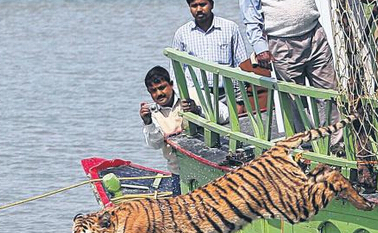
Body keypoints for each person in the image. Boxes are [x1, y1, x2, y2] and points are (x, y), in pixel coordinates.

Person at [239, 0, 343, 147]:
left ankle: (337, 145)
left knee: (329, 93)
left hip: (314, 33)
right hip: (282, 41)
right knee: (295, 100)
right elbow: (250, 14)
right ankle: (307, 149)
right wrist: (260, 47)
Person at [140, 66, 229, 196]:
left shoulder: (192, 94)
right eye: (153, 91)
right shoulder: (152, 113)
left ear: (171, 84)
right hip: (179, 174)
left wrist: (198, 111)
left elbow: (225, 114)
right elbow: (155, 144)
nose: (159, 94)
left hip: (211, 166)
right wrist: (148, 122)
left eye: (162, 87)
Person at [171, 0, 249, 105]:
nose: (199, 9)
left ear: (212, 4)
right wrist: (182, 98)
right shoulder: (182, 33)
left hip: (226, 94)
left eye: (203, 4)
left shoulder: (230, 28)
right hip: (196, 96)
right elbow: (175, 71)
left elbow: (241, 65)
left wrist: (239, 100)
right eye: (194, 6)